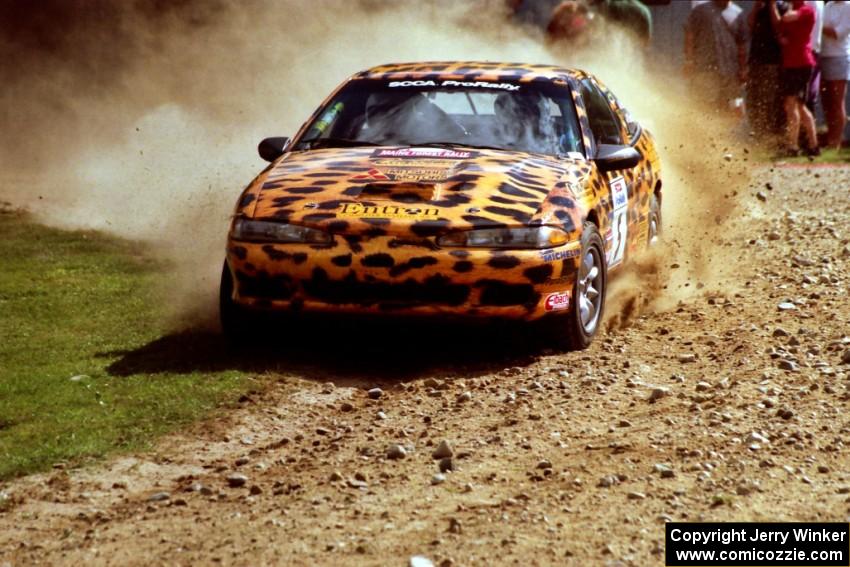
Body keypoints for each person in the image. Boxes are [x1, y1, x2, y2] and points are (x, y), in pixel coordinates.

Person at [770, 0, 820, 155]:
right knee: (798, 105)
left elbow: (786, 18)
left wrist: (782, 9)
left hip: (801, 62)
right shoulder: (794, 9)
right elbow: (779, 24)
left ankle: (793, 146)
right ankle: (813, 145)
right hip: (791, 62)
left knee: (791, 104)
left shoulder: (807, 9)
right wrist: (772, 6)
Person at [684, 1, 749, 113]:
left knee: (735, 108)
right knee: (705, 105)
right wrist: (689, 61)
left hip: (730, 72)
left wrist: (743, 69)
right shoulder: (701, 10)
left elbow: (742, 45)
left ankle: (727, 130)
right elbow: (690, 35)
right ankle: (705, 129)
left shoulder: (738, 13)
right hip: (705, 69)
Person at [747, 0, 785, 140]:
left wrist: (772, 6)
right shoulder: (759, 7)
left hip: (772, 62)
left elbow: (779, 29)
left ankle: (770, 138)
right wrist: (757, 7)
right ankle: (758, 135)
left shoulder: (782, 7)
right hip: (756, 61)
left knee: (769, 102)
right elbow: (750, 26)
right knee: (753, 100)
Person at [820, 0, 850, 149]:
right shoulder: (828, 5)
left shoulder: (849, 7)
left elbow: (838, 33)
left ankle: (836, 142)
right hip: (823, 54)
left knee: (837, 102)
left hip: (839, 57)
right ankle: (830, 137)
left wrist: (817, 24)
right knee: (827, 102)